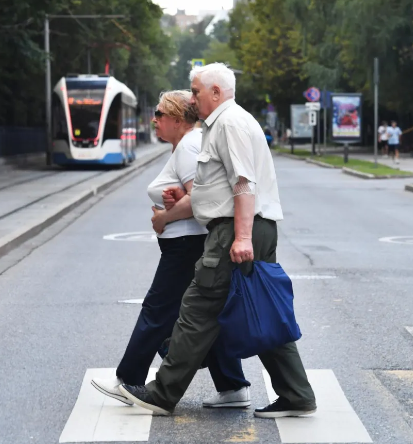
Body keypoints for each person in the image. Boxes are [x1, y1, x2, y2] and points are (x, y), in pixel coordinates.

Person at [118, 63, 317, 419]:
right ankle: (296, 393)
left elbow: (243, 183)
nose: (191, 98)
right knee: (261, 309)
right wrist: (194, 194)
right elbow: (224, 183)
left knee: (196, 307)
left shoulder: (229, 123)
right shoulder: (222, 124)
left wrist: (241, 236)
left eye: (196, 91)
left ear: (216, 92)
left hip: (238, 228)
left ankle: (162, 393)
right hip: (244, 225)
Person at [91, 90, 252, 409]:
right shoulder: (186, 146)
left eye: (160, 114)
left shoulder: (190, 145)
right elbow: (192, 192)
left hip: (185, 246)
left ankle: (128, 378)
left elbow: (199, 199)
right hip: (184, 245)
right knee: (200, 318)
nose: (154, 120)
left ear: (178, 120)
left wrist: (164, 217)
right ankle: (233, 386)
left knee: (156, 310)